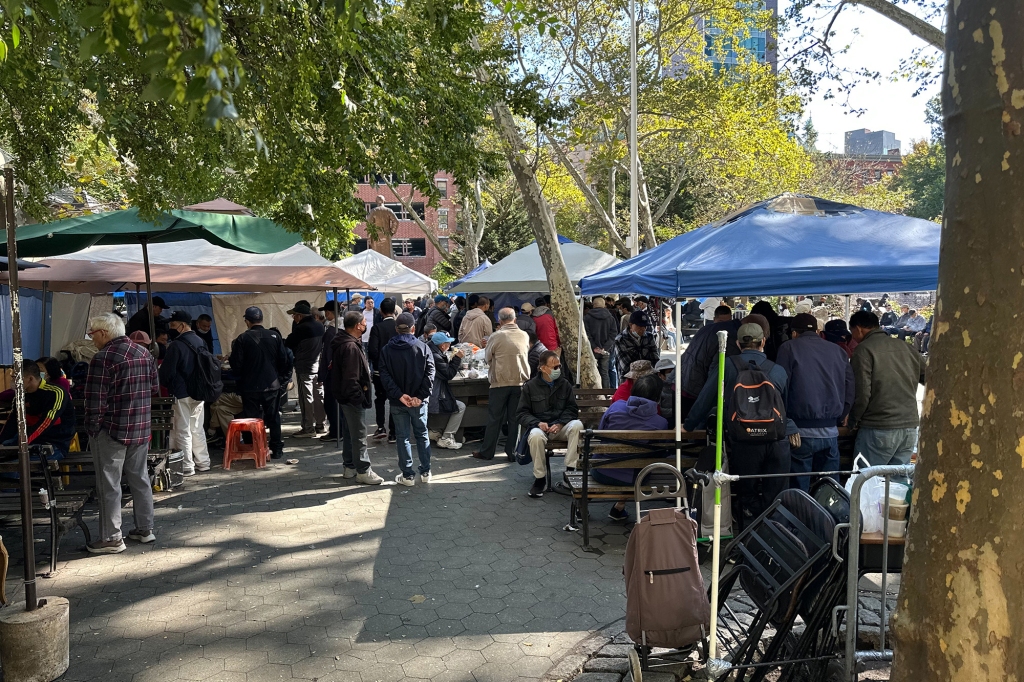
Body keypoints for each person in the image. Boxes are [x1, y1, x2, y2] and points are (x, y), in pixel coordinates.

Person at [684, 322, 794, 527]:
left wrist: (688, 425)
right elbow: (787, 408)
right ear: (763, 341)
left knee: (746, 494)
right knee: (777, 495)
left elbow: (706, 398)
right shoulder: (778, 370)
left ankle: (747, 542)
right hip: (778, 441)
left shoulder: (726, 366)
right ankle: (775, 542)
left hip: (745, 441)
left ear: (737, 343)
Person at [83, 312, 159, 553]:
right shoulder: (144, 353)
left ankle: (111, 537)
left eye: (92, 333)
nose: (91, 338)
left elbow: (95, 401)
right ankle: (145, 528)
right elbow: (154, 388)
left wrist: (93, 428)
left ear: (104, 333)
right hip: (140, 427)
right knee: (140, 478)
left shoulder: (103, 358)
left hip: (111, 430)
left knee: (109, 484)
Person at [775, 313, 855, 491]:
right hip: (831, 432)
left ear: (794, 333)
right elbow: (850, 386)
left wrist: (785, 421)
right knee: (830, 488)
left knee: (798, 489)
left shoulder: (788, 348)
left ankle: (801, 518)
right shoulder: (838, 351)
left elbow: (780, 386)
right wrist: (842, 414)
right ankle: (831, 518)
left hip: (799, 432)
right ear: (819, 331)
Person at [848, 311, 927, 469]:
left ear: (858, 329)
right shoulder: (906, 347)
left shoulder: (863, 350)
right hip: (909, 427)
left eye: (852, 333)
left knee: (867, 484)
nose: (853, 337)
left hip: (879, 427)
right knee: (895, 488)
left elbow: (862, 393)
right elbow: (930, 379)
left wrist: (853, 420)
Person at [596, 374, 669, 521]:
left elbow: (599, 432)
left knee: (623, 463)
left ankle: (583, 508)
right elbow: (660, 453)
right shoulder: (660, 423)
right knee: (637, 466)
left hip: (602, 470)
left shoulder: (615, 407)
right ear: (657, 396)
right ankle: (619, 507)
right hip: (636, 478)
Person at [518, 350, 584, 499]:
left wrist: (561, 423)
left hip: (560, 427)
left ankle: (570, 471)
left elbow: (572, 409)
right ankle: (540, 479)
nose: (558, 370)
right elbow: (522, 413)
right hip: (540, 428)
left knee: (578, 425)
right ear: (543, 368)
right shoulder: (530, 386)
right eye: (554, 367)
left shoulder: (564, 384)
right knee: (535, 436)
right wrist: (537, 423)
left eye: (559, 366)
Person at [379, 313, 436, 485]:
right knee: (421, 434)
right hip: (418, 402)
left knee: (403, 437)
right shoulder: (423, 347)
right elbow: (430, 373)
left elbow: (384, 375)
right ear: (413, 328)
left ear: (396, 329)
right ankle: (426, 472)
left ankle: (407, 475)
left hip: (399, 401)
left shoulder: (387, 350)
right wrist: (420, 396)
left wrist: (398, 394)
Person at [229, 306, 292, 459]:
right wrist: (279, 378)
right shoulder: (274, 337)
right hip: (271, 384)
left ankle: (254, 447)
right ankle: (277, 449)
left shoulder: (242, 339)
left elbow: (236, 364)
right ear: (261, 319)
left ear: (247, 321)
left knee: (250, 419)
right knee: (274, 417)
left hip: (249, 386)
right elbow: (284, 360)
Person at [331, 311, 385, 485]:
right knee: (359, 435)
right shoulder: (350, 347)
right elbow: (351, 378)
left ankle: (350, 466)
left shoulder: (347, 343)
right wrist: (359, 397)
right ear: (357, 326)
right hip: (351, 398)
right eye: (363, 323)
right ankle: (363, 469)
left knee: (350, 433)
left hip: (345, 396)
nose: (365, 325)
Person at [472, 308, 530, 462]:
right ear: (515, 319)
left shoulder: (496, 336)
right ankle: (512, 452)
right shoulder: (524, 335)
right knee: (514, 419)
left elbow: (487, 356)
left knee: (494, 419)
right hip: (520, 382)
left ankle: (487, 451)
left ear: (500, 321)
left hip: (500, 382)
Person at [159, 311, 212, 476]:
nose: (171, 329)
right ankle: (204, 462)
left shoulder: (176, 345)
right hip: (200, 392)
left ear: (182, 325)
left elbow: (166, 373)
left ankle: (188, 466)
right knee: (197, 428)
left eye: (173, 325)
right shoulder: (201, 341)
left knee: (183, 430)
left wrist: (167, 383)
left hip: (181, 393)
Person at [0, 362, 75, 459]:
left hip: (54, 443)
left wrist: (23, 443)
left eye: (15, 377)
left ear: (30, 379)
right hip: (28, 440)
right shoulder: (20, 395)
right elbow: (13, 421)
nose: (12, 381)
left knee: (14, 467)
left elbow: (45, 423)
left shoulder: (56, 393)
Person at [677, 305, 739, 420]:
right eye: (720, 322)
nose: (723, 325)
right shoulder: (719, 335)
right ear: (714, 319)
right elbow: (715, 371)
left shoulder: (705, 331)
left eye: (727, 322)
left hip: (686, 383)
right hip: (694, 388)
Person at [285, 300, 326, 437]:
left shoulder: (301, 328)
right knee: (319, 396)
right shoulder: (320, 326)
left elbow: (289, 343)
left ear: (300, 316)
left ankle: (308, 427)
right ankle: (320, 425)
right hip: (318, 366)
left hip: (304, 367)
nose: (293, 318)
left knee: (306, 398)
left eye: (294, 315)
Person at [428, 331, 467, 450]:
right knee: (460, 406)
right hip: (435, 395)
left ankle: (435, 430)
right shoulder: (436, 356)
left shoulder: (432, 351)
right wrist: (457, 359)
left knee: (452, 401)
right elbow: (448, 374)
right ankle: (447, 437)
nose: (450, 346)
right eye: (448, 343)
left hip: (432, 392)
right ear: (442, 345)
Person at [367, 297, 398, 442]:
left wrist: (379, 363)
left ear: (381, 311)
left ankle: (380, 427)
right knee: (395, 399)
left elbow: (372, 351)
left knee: (380, 399)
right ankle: (393, 432)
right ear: (394, 310)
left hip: (380, 371)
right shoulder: (399, 326)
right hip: (397, 372)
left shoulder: (377, 328)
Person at [318, 301, 342, 442]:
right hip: (342, 371)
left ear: (329, 312)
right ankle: (340, 430)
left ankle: (335, 431)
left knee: (331, 403)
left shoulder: (330, 332)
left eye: (326, 312)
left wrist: (321, 376)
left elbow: (326, 356)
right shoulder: (344, 327)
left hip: (331, 373)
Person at [583, 297, 619, 388]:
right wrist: (605, 347)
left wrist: (594, 346)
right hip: (606, 350)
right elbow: (613, 334)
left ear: (593, 305)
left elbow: (586, 334)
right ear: (604, 305)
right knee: (605, 372)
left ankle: (595, 394)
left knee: (592, 373)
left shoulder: (587, 318)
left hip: (591, 350)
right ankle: (606, 394)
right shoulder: (610, 318)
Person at [614, 310, 660, 379]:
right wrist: (647, 368)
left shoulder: (649, 337)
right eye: (640, 326)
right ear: (630, 325)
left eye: (645, 326)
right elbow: (626, 367)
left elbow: (655, 360)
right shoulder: (620, 340)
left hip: (648, 379)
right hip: (629, 381)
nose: (643, 329)